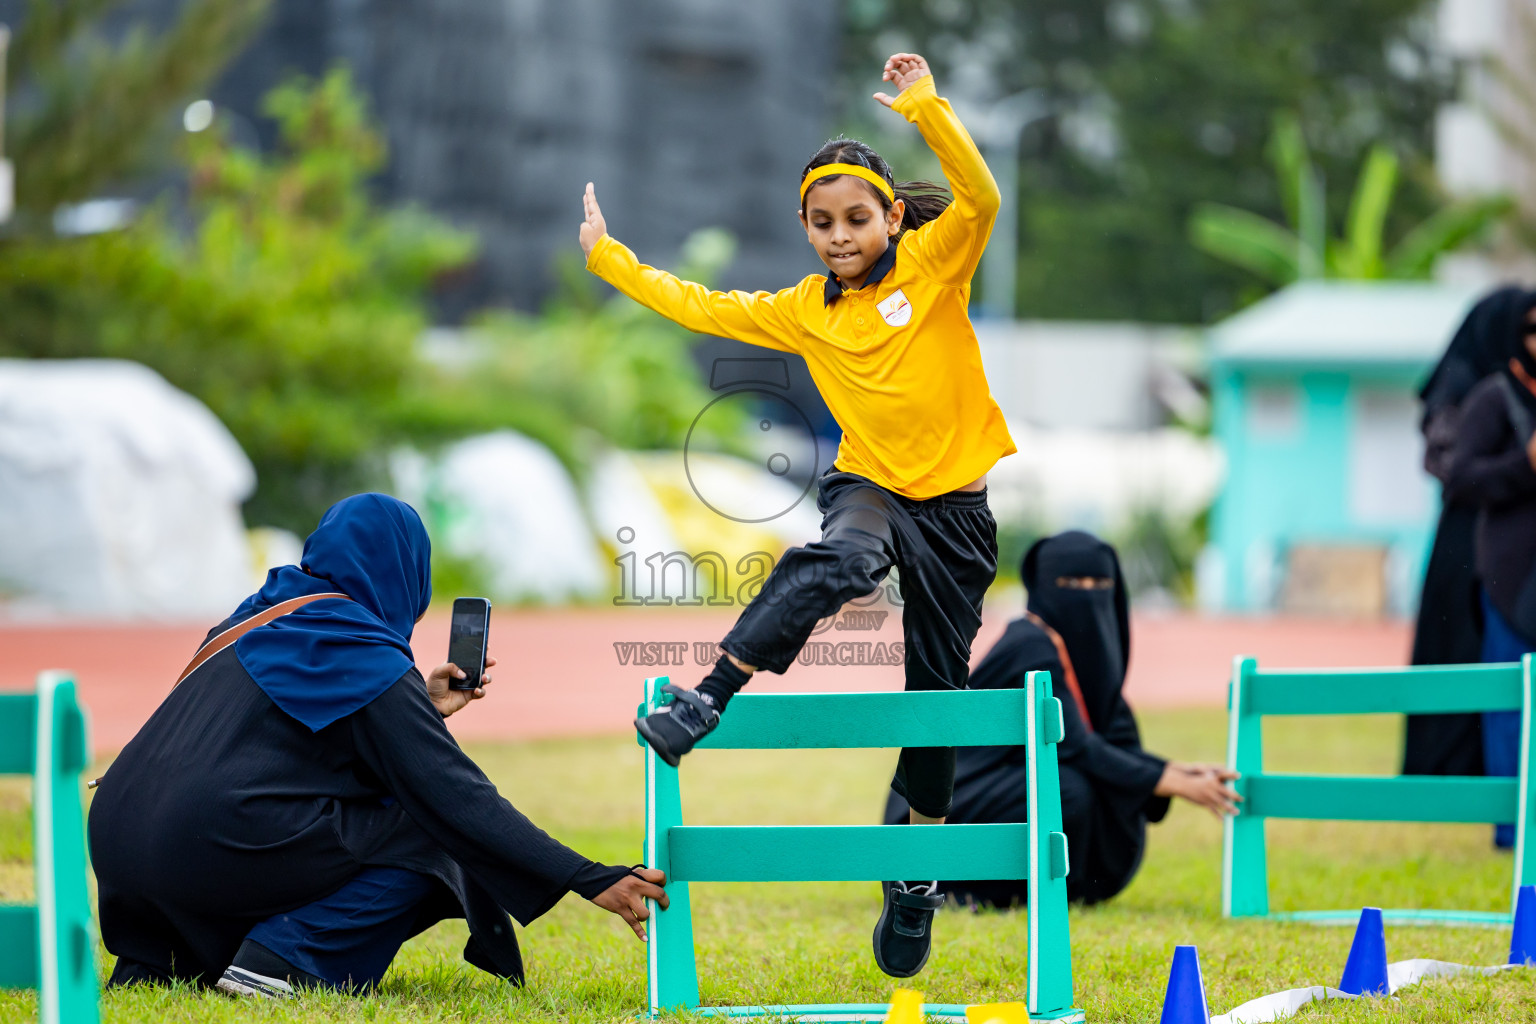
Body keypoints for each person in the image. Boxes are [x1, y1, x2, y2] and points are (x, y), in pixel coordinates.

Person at [579, 52, 1013, 977]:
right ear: (806, 229)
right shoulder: (804, 310)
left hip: (959, 519)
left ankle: (916, 880)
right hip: (870, 489)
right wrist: (611, 261)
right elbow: (703, 305)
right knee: (844, 559)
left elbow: (981, 200)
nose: (839, 236)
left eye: (857, 219)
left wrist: (927, 109)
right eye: (822, 223)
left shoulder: (936, 264)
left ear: (892, 217)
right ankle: (707, 698)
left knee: (936, 704)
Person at [88, 494, 667, 997]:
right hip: (206, 845)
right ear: (408, 569)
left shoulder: (255, 618)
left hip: (121, 843)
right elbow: (454, 796)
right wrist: (586, 875)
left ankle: (156, 963)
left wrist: (418, 704)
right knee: (427, 827)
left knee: (341, 813)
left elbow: (275, 749)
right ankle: (287, 962)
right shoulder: (361, 650)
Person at [885, 532, 1239, 906]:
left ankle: (1056, 887)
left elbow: (1112, 742)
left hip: (997, 793)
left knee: (1100, 782)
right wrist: (1172, 782)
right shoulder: (1029, 645)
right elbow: (1073, 745)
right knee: (1065, 788)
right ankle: (958, 889)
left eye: (1099, 584)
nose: (1086, 595)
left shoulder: (1085, 659)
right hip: (930, 815)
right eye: (1071, 584)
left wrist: (1177, 772)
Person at [1407, 287, 1536, 777]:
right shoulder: (1469, 384)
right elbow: (1447, 464)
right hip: (1469, 540)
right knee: (1464, 656)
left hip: (1509, 537)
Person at [1444, 318, 1536, 848]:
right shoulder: (1497, 396)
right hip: (1512, 577)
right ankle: (1510, 826)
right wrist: (1525, 465)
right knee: (1508, 701)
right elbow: (1462, 476)